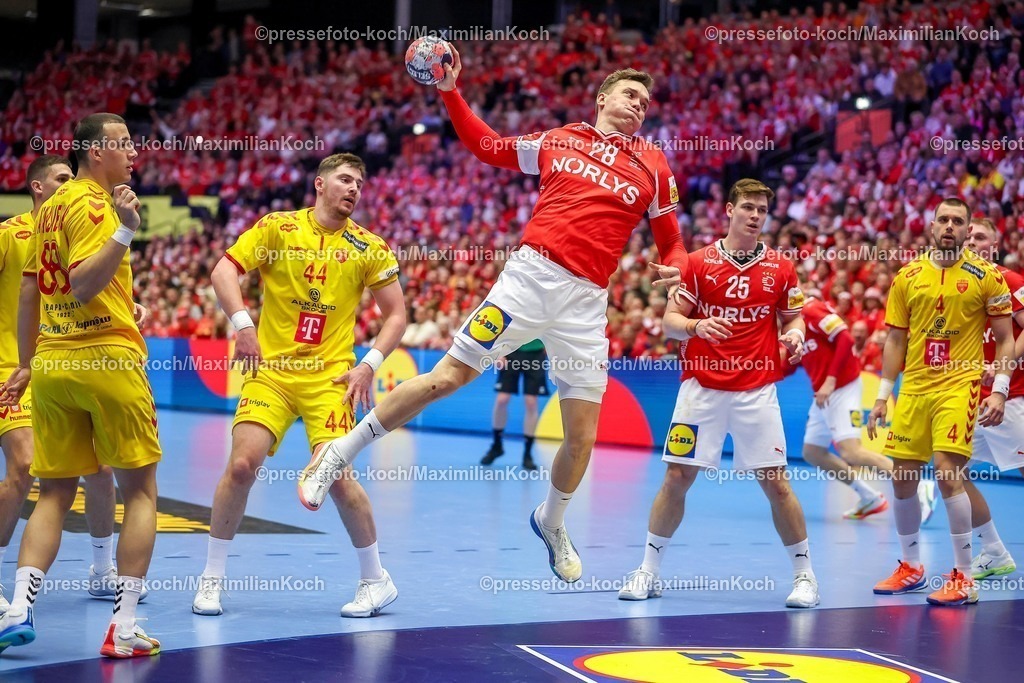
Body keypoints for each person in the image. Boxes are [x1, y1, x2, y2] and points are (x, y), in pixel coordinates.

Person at [299, 51, 689, 584]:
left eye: (645, 102)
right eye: (629, 95)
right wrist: (450, 91)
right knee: (448, 377)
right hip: (530, 280)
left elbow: (673, 244)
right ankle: (337, 454)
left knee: (582, 437)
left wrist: (678, 275)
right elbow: (488, 147)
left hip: (587, 302)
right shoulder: (560, 139)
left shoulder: (654, 164)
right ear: (602, 100)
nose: (639, 105)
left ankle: (550, 520)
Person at [191, 153, 406, 618]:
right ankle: (211, 580)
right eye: (345, 180)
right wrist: (243, 324)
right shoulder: (277, 229)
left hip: (331, 379)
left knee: (338, 480)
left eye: (360, 184)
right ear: (319, 184)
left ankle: (376, 580)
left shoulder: (370, 246)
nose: (354, 189)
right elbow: (223, 271)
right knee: (242, 466)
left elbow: (397, 314)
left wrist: (369, 364)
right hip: (271, 373)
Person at [0, 113, 162, 656]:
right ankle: (126, 625)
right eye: (122, 145)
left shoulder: (46, 214)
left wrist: (26, 363)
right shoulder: (98, 204)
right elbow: (86, 282)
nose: (132, 152)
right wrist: (125, 229)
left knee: (54, 493)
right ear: (95, 153)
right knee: (139, 491)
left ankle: (18, 606)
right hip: (107, 360)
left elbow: (30, 294)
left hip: (52, 361)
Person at [617, 179, 819, 608]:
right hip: (701, 390)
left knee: (777, 485)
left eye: (762, 210)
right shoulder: (696, 262)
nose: (755, 216)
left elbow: (794, 319)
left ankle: (805, 577)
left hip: (756, 391)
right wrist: (696, 326)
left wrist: (796, 336)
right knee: (675, 478)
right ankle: (648, 573)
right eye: (747, 207)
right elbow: (672, 320)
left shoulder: (781, 268)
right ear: (729, 210)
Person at [868, 198, 1014, 606]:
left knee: (948, 471)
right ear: (931, 226)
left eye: (958, 221)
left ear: (969, 230)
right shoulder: (907, 276)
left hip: (959, 384)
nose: (950, 226)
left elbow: (1005, 339)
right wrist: (883, 396)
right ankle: (911, 566)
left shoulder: (987, 276)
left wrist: (999, 388)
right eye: (943, 219)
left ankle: (964, 577)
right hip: (913, 387)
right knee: (902, 476)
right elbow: (896, 338)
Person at [797, 288, 938, 522]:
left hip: (841, 387)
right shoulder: (785, 320)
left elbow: (845, 338)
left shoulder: (810, 309)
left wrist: (831, 380)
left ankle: (919, 483)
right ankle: (869, 496)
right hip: (822, 394)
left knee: (852, 451)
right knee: (813, 452)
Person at [960, 218, 1024, 579]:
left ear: (994, 245)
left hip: (1009, 397)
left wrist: (1003, 370)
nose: (972, 240)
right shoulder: (961, 286)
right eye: (968, 235)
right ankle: (994, 550)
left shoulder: (1009, 280)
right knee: (949, 470)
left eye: (980, 236)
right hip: (970, 399)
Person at [481, 339, 549, 471]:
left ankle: (527, 453)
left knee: (531, 402)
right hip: (511, 350)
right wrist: (498, 353)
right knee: (502, 399)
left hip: (536, 353)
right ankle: (497, 445)